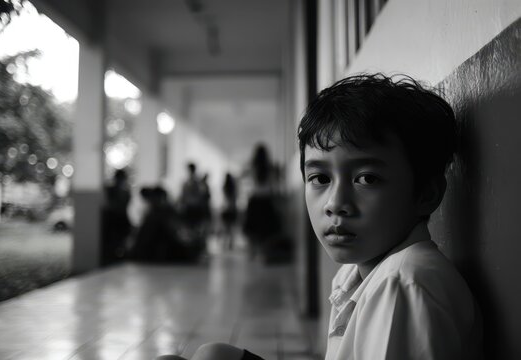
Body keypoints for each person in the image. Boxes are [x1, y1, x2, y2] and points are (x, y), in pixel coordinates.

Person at [157, 73, 482, 360]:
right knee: (213, 354)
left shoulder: (403, 284)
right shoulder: (357, 272)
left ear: (426, 193)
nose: (336, 203)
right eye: (320, 179)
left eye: (367, 178)